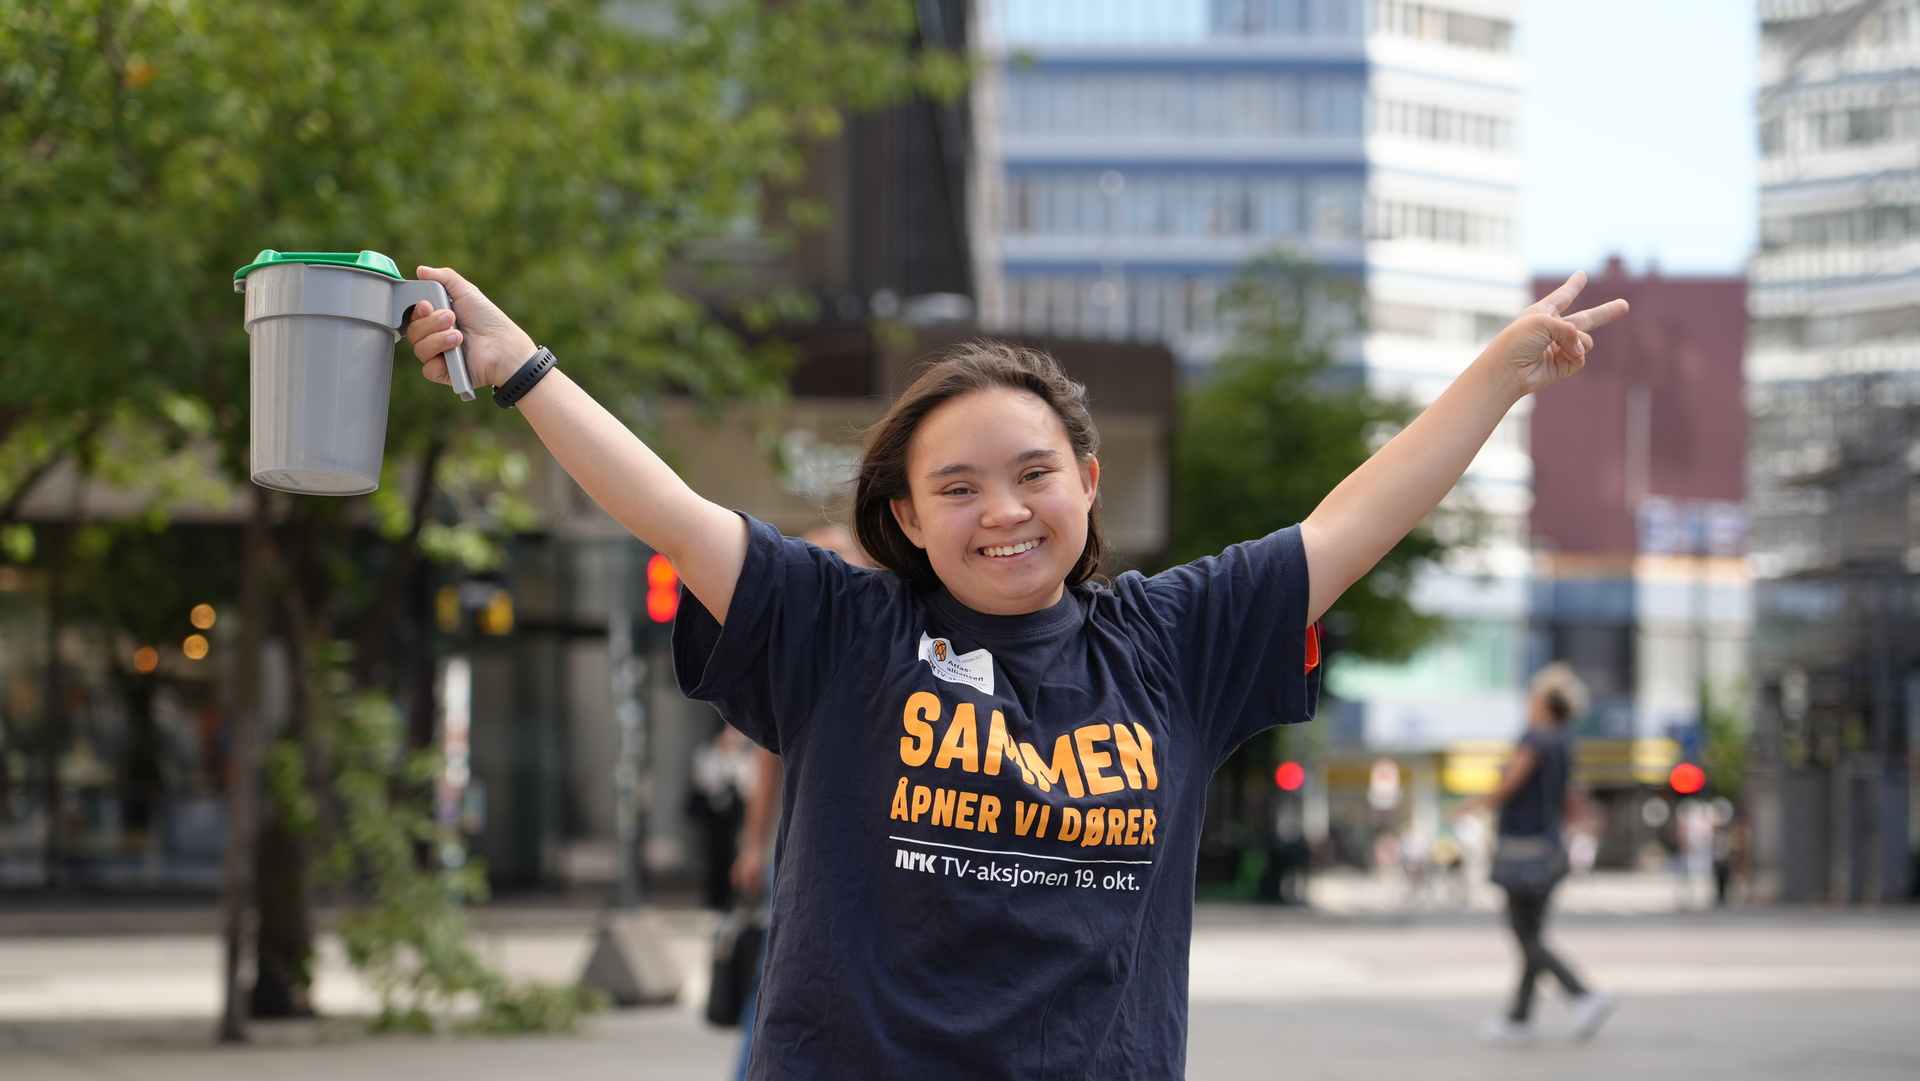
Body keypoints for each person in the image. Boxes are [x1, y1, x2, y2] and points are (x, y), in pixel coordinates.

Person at [403, 265, 1626, 1079]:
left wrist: (1501, 374)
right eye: (959, 486)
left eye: (1036, 472)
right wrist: (522, 369)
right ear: (906, 514)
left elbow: (1353, 523)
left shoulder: (1172, 642)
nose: (1005, 511)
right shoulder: (845, 629)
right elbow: (670, 511)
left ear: (1088, 484)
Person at [1453, 663, 1616, 1046]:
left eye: (1532, 696)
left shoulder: (1536, 738)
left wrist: (1470, 806)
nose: (1528, 703)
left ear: (1544, 702)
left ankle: (1583, 995)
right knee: (1533, 934)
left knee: (1524, 934)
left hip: (1523, 848)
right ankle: (1518, 1019)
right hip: (1550, 847)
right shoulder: (1564, 740)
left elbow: (1509, 784)